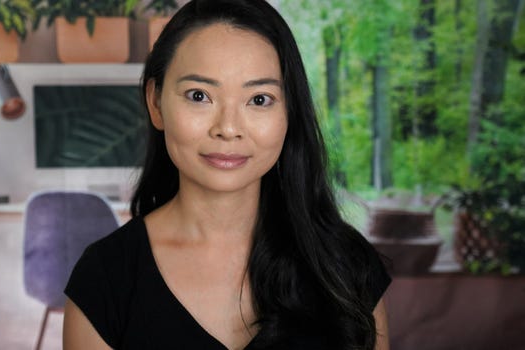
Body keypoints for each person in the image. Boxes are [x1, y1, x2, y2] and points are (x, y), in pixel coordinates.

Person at [62, 0, 391, 349]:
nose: (228, 128)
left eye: (260, 99)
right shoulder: (105, 278)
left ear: (289, 111)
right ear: (156, 103)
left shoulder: (346, 266)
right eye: (199, 95)